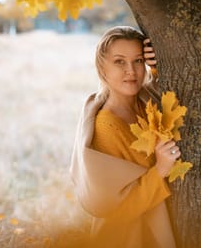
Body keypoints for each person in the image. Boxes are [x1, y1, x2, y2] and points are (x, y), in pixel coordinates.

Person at [70, 26, 179, 248]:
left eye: (138, 61)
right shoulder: (106, 125)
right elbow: (115, 208)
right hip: (128, 238)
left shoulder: (144, 102)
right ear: (102, 69)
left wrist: (158, 67)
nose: (131, 70)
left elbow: (166, 96)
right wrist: (160, 170)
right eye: (119, 62)